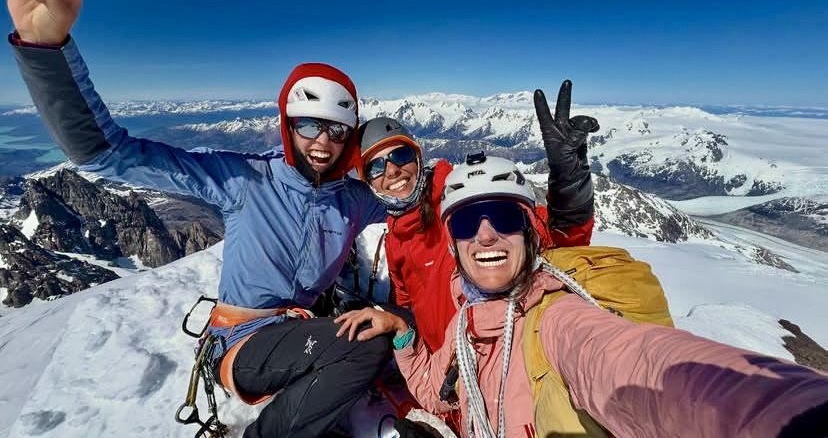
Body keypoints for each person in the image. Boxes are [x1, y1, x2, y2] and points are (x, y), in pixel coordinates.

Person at [5, 0, 390, 438]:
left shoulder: (352, 199)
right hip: (244, 339)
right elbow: (105, 153)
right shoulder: (243, 179)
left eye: (336, 132)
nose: (322, 142)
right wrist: (46, 51)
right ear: (287, 125)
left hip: (300, 331)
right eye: (308, 126)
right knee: (362, 343)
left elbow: (414, 200)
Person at [336, 153, 828, 438]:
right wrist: (401, 332)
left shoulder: (557, 321)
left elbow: (642, 369)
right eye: (467, 222)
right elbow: (436, 392)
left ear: (533, 234)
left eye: (505, 219)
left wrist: (791, 414)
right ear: (454, 243)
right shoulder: (469, 324)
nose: (485, 236)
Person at [356, 80, 599, 353]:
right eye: (376, 166)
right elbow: (406, 301)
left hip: (497, 360)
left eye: (400, 155)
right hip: (444, 367)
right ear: (367, 181)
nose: (392, 171)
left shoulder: (464, 197)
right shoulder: (396, 236)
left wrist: (568, 187)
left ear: (418, 157)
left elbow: (556, 236)